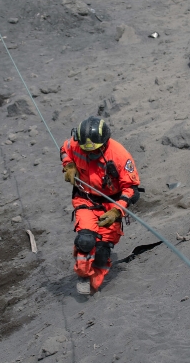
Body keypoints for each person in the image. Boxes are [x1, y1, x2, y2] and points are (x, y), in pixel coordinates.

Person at [61, 116, 141, 295]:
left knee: (103, 251)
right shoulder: (75, 143)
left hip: (112, 204)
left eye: (96, 151)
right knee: (86, 240)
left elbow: (131, 190)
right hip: (85, 199)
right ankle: (83, 274)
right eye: (86, 151)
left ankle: (93, 279)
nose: (91, 155)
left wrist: (116, 211)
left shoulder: (120, 156)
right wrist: (69, 166)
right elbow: (64, 150)